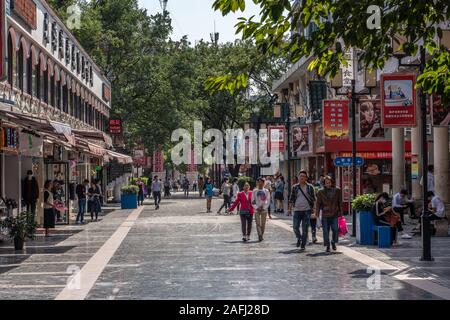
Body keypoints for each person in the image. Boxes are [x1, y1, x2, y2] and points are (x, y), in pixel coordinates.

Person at [288, 170, 316, 250]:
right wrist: (289, 209)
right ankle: (299, 238)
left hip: (307, 210)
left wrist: (314, 209)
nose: (302, 178)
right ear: (298, 177)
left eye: (303, 176)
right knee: (295, 227)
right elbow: (291, 199)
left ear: (306, 178)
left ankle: (303, 245)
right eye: (300, 176)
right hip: (296, 210)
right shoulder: (295, 187)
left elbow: (314, 199)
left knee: (305, 228)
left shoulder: (310, 187)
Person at [316, 176, 342, 252]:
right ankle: (327, 245)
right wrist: (317, 215)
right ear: (324, 183)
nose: (328, 184)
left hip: (334, 213)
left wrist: (341, 212)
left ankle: (333, 242)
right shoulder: (321, 192)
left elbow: (339, 202)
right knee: (326, 231)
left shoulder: (337, 190)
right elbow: (318, 203)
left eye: (329, 182)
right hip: (325, 214)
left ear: (332, 182)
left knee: (335, 230)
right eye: (326, 183)